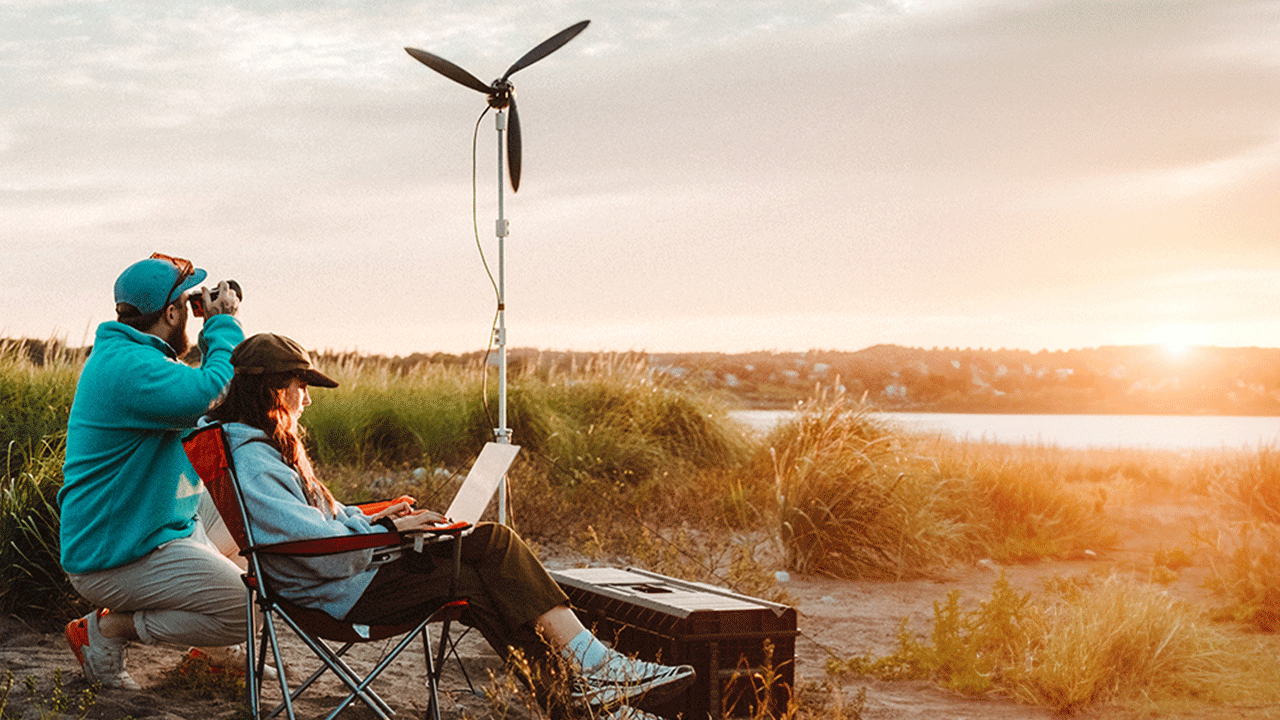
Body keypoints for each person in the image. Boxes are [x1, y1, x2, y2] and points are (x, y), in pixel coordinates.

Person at [203, 333, 695, 718]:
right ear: (274, 389)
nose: (306, 400)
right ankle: (600, 668)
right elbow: (309, 539)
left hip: (339, 577)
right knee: (490, 548)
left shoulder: (257, 449)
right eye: (301, 387)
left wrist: (381, 516)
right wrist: (392, 535)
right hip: (337, 592)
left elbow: (318, 520)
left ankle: (581, 697)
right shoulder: (254, 460)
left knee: (480, 575)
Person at [59, 253, 247, 690]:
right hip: (115, 554)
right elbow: (209, 394)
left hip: (151, 523)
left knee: (249, 514)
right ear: (171, 312)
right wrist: (221, 323)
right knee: (247, 607)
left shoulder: (144, 361)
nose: (194, 308)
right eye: (187, 302)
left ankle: (213, 651)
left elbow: (213, 396)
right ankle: (105, 631)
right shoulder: (128, 368)